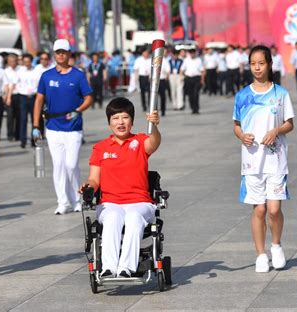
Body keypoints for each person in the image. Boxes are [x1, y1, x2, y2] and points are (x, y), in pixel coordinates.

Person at [80, 97, 161, 278]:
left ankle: (126, 268)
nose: (120, 122)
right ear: (109, 123)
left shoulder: (140, 141)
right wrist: (88, 186)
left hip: (140, 202)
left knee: (133, 217)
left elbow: (154, 142)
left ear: (131, 121)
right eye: (115, 118)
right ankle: (108, 267)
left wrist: (154, 126)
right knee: (113, 217)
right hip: (110, 202)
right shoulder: (100, 148)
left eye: (124, 117)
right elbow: (94, 179)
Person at [233, 45, 294, 273]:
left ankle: (276, 245)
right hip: (251, 161)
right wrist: (242, 136)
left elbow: (290, 123)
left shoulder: (280, 94)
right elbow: (236, 126)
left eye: (261, 63)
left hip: (276, 159)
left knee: (274, 209)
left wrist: (276, 131)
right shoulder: (242, 96)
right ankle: (260, 254)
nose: (257, 68)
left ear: (269, 64)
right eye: (253, 64)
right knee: (259, 210)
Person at [32, 39, 93, 215]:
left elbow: (88, 97)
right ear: (54, 54)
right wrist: (36, 125)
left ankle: (77, 199)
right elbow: (39, 100)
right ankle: (63, 202)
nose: (60, 55)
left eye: (64, 52)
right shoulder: (47, 76)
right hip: (52, 126)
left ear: (69, 54)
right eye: (58, 52)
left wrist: (78, 110)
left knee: (71, 164)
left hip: (73, 126)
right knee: (58, 164)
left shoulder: (78, 75)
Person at [16, 54, 40, 148]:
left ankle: (35, 140)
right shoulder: (20, 71)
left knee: (35, 119)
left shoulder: (36, 71)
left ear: (31, 61)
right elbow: (16, 83)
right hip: (23, 97)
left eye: (28, 61)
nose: (27, 63)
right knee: (23, 119)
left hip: (34, 97)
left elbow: (39, 83)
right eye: (25, 61)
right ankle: (23, 140)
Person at [181, 48, 205, 114]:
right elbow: (182, 69)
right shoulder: (186, 60)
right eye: (191, 53)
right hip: (188, 78)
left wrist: (202, 80)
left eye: (193, 53)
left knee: (196, 93)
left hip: (196, 78)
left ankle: (196, 108)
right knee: (190, 95)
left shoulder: (198, 60)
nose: (192, 54)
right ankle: (192, 108)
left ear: (195, 53)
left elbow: (202, 71)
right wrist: (182, 77)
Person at [3, 53, 21, 142]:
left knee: (19, 116)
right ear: (8, 62)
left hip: (19, 94)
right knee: (10, 116)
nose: (13, 63)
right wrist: (6, 96)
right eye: (10, 61)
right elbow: (6, 85)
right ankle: (10, 135)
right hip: (10, 95)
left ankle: (18, 135)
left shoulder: (21, 70)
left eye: (14, 61)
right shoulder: (6, 71)